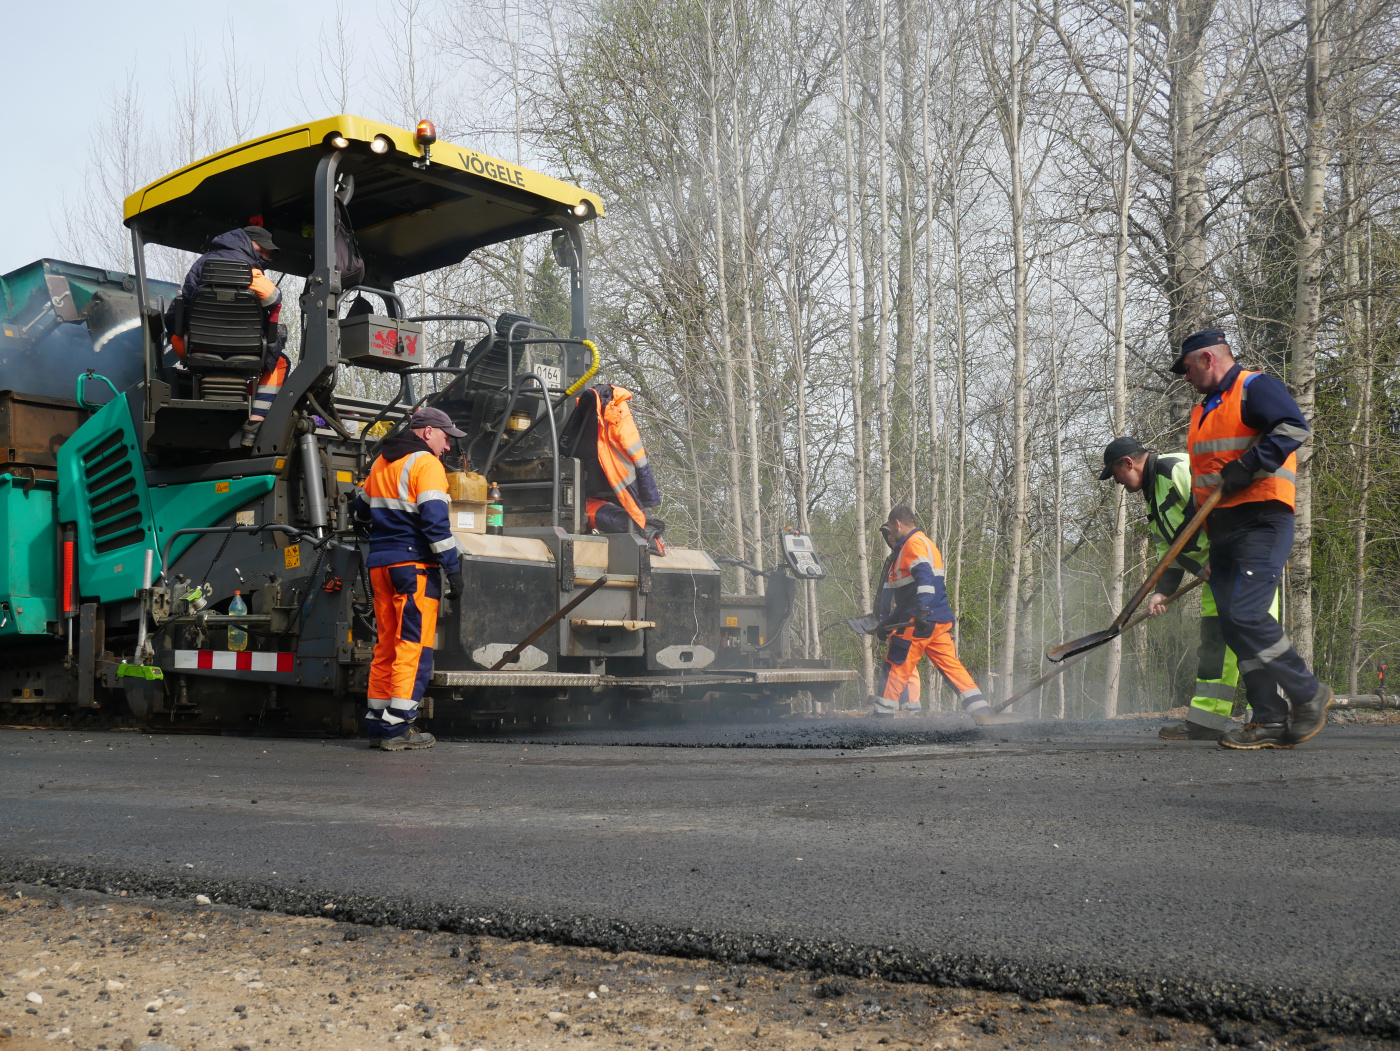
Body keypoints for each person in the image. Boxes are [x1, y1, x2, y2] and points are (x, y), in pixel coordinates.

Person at [1173, 329, 1330, 749]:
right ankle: (1270, 720)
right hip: (1222, 528)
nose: (1186, 377)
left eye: (1187, 368)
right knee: (1234, 626)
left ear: (1207, 359)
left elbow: (1294, 427)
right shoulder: (1201, 410)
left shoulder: (1254, 387)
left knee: (1246, 614)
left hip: (1261, 519)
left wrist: (1250, 465)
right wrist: (1192, 526)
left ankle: (1308, 692)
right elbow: (1207, 479)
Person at [1101, 436, 1277, 740]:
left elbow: (1222, 505)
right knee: (1214, 645)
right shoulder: (1152, 496)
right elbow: (1168, 550)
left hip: (1244, 563)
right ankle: (1207, 721)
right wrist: (1163, 591)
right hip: (1214, 575)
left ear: (1128, 463)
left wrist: (1222, 554)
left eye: (1115, 474)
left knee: (1254, 639)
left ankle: (1266, 721)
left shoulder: (1176, 469)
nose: (1116, 482)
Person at [352, 407, 466, 751]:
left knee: (386, 645)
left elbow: (360, 511)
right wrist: (453, 569)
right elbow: (435, 524)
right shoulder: (426, 464)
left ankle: (378, 722)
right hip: (413, 566)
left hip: (380, 566)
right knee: (413, 646)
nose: (447, 446)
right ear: (428, 432)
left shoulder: (381, 462)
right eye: (446, 437)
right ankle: (399, 726)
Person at [869, 505, 1017, 725]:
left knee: (896, 665)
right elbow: (911, 592)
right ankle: (983, 713)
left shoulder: (912, 544)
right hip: (938, 620)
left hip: (917, 621)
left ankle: (881, 718)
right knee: (952, 668)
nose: (890, 535)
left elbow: (925, 579)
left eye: (891, 528)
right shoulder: (927, 543)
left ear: (897, 524)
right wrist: (889, 622)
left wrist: (922, 611)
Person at [169, 225, 288, 447]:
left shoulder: (201, 263)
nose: (265, 255)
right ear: (246, 242)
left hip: (197, 348)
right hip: (246, 351)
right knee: (280, 363)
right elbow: (274, 297)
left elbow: (183, 303)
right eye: (262, 249)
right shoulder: (248, 269)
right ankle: (255, 422)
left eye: (268, 252)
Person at [561, 383, 666, 552]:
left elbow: (634, 449)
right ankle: (644, 529)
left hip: (611, 479)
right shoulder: (610, 406)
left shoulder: (610, 407)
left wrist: (648, 492)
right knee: (627, 517)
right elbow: (636, 452)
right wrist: (648, 492)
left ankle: (644, 529)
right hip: (611, 479)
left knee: (628, 517)